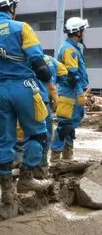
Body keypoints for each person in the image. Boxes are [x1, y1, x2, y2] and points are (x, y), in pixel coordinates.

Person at [0, 0, 53, 204]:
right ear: (11, 7)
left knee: (4, 140)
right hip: (25, 87)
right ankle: (26, 178)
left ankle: (7, 190)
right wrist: (49, 83)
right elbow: (38, 62)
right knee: (37, 134)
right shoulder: (22, 28)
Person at [14, 54, 66, 174]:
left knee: (20, 133)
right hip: (41, 100)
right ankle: (40, 169)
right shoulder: (49, 59)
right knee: (43, 135)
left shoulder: (15, 58)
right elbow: (64, 72)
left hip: (21, 100)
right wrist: (55, 91)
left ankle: (17, 166)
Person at [50, 17, 89, 162]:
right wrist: (79, 93)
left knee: (70, 127)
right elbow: (72, 76)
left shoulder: (71, 47)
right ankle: (55, 160)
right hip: (69, 93)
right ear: (77, 32)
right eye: (82, 30)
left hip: (70, 92)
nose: (84, 33)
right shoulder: (69, 49)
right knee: (64, 127)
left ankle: (67, 158)